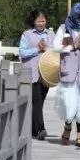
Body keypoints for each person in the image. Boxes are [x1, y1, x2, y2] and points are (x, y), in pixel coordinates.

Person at [52, 2, 80, 147]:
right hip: (69, 72)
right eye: (79, 16)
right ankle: (67, 126)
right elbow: (56, 47)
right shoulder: (64, 28)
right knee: (69, 104)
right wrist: (72, 47)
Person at [19, 10, 54, 140]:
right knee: (37, 101)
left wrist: (47, 49)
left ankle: (33, 129)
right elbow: (22, 53)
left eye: (43, 21)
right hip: (32, 72)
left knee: (39, 102)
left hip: (46, 73)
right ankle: (41, 128)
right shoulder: (26, 35)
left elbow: (55, 51)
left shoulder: (51, 34)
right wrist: (37, 49)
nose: (41, 23)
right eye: (38, 21)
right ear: (33, 21)